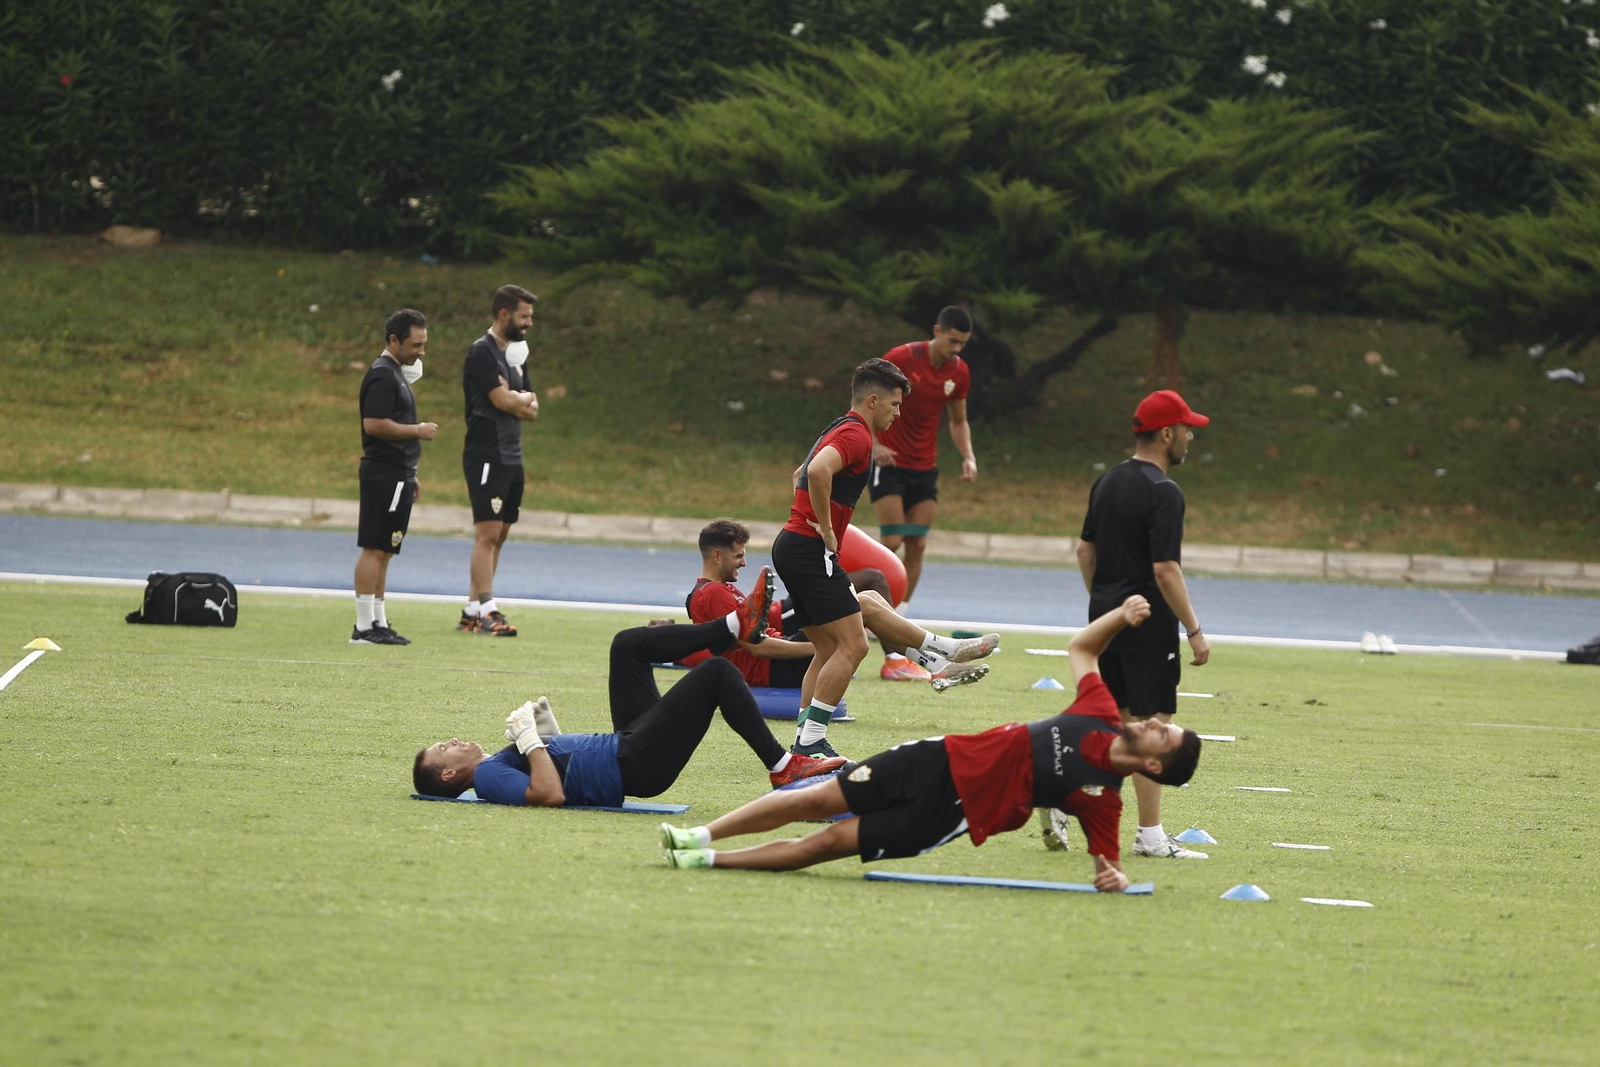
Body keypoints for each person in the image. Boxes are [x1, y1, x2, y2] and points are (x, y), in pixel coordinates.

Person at [657, 595, 1203, 891]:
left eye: (1163, 731)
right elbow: (1082, 648)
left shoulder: (1103, 797)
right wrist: (1118, 616)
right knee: (816, 799)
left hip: (947, 815)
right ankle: (697, 834)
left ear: (1154, 761)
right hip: (935, 759)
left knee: (825, 845)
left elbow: (1109, 866)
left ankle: (711, 861)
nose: (1154, 721)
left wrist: (1111, 874)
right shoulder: (1101, 713)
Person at [413, 576, 847, 805]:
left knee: (628, 645)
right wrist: (529, 740)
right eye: (442, 749)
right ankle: (782, 764)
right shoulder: (486, 777)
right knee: (716, 673)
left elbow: (560, 773)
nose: (450, 741)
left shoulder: (494, 768)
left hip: (625, 748)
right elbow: (549, 795)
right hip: (633, 763)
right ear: (449, 774)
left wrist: (545, 734)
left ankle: (735, 626)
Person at [771, 359, 999, 758]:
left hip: (795, 544)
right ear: (873, 400)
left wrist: (811, 521)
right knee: (854, 646)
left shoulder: (838, 427)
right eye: (894, 405)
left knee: (830, 646)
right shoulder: (857, 435)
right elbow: (819, 472)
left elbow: (799, 474)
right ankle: (812, 741)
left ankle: (933, 655)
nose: (898, 413)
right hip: (808, 547)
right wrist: (824, 528)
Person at [1077, 389, 1213, 860]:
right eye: (1187, 429)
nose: (1191, 437)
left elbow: (1085, 551)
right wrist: (1194, 630)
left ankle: (1063, 795)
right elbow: (1165, 569)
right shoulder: (1164, 491)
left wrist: (1105, 606)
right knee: (1153, 726)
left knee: (1109, 724)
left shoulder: (1107, 481)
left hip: (1109, 621)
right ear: (1167, 434)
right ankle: (1150, 834)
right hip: (1150, 628)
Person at [684, 518, 992, 696]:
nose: (744, 561)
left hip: (783, 655)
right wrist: (824, 647)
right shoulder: (710, 595)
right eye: (738, 555)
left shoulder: (720, 590)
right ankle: (943, 653)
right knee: (864, 603)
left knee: (866, 598)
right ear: (716, 556)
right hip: (774, 669)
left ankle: (937, 664)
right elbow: (760, 647)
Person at [869, 306, 977, 630]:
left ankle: (895, 616)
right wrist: (873, 445)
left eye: (963, 344)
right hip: (890, 464)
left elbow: (958, 420)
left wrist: (968, 456)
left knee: (917, 544)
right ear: (937, 331)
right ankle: (858, 607)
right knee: (892, 542)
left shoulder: (959, 373)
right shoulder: (902, 358)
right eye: (953, 341)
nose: (956, 349)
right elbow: (866, 399)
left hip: (924, 467)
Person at [351, 308, 438, 645]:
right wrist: (417, 430)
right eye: (415, 345)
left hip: (399, 472)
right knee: (374, 547)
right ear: (393, 340)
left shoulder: (397, 373)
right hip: (383, 473)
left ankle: (378, 620)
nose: (421, 351)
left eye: (423, 344)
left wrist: (410, 472)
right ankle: (362, 627)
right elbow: (372, 424)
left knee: (387, 548)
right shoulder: (383, 374)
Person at [458, 284, 540, 637]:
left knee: (502, 532)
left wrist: (518, 395)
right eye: (524, 316)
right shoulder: (482, 352)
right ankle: (488, 609)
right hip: (486, 452)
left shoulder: (515, 356)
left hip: (512, 453)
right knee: (487, 532)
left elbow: (532, 408)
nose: (529, 323)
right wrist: (516, 399)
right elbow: (505, 403)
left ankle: (472, 609)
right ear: (504, 314)